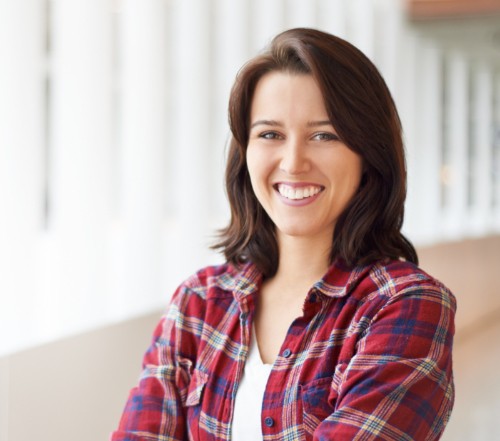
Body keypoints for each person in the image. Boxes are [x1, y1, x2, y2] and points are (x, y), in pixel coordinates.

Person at [111, 28, 456, 441]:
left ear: (368, 153)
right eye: (270, 134)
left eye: (324, 135)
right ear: (246, 153)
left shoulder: (404, 305)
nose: (293, 163)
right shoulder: (199, 303)